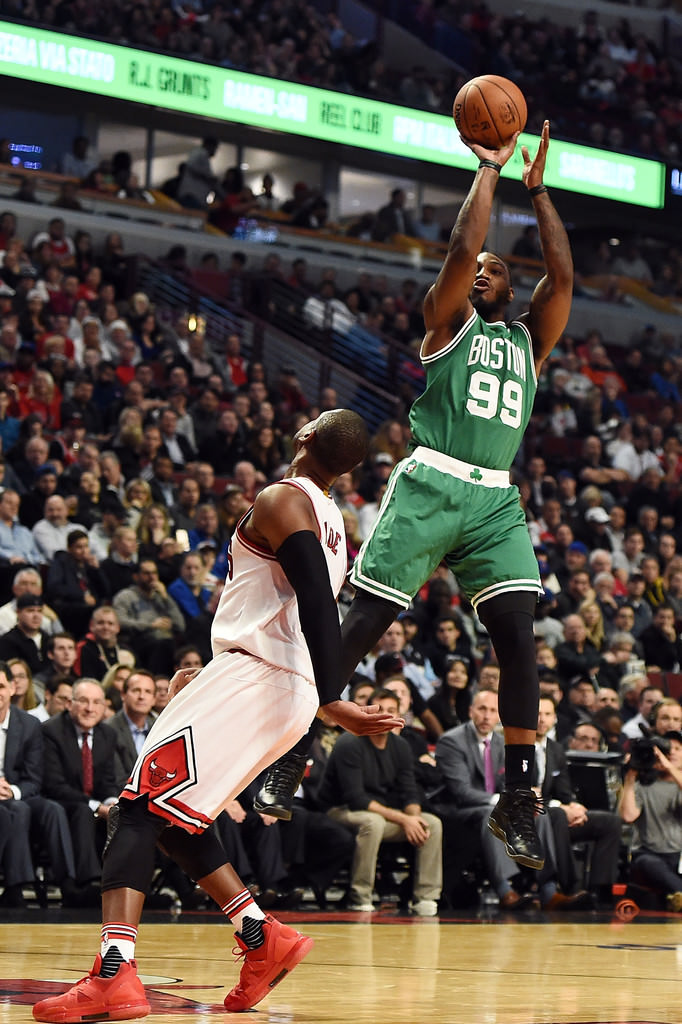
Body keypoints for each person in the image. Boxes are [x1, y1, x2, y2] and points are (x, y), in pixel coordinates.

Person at [258, 121, 573, 873]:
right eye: (484, 270)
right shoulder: (447, 324)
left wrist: (539, 191)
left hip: (495, 499)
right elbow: (464, 251)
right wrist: (489, 172)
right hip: (432, 479)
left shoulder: (530, 342)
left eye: (502, 268)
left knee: (522, 640)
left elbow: (561, 281)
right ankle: (295, 747)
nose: (489, 270)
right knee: (364, 621)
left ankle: (519, 796)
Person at [33, 409, 403, 1024]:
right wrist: (216, 675)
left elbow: (314, 603)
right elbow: (282, 607)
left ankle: (114, 975)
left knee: (137, 808)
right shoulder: (332, 517)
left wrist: (331, 696)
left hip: (261, 679)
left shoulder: (284, 498)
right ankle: (264, 939)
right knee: (179, 817)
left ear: (307, 437)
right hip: (264, 681)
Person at [319, 686, 442, 914]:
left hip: (381, 811)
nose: (386, 715)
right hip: (340, 809)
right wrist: (404, 820)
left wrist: (413, 819)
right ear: (369, 712)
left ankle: (426, 896)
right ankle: (360, 895)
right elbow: (356, 798)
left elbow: (409, 790)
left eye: (392, 710)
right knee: (372, 823)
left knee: (431, 823)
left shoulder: (402, 746)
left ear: (399, 716)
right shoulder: (349, 742)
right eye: (380, 709)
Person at [618, 729, 682, 911]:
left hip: (679, 856)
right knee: (648, 863)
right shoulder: (642, 785)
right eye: (668, 750)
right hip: (650, 854)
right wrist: (630, 777)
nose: (671, 753)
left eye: (677, 749)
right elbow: (628, 816)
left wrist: (670, 767)